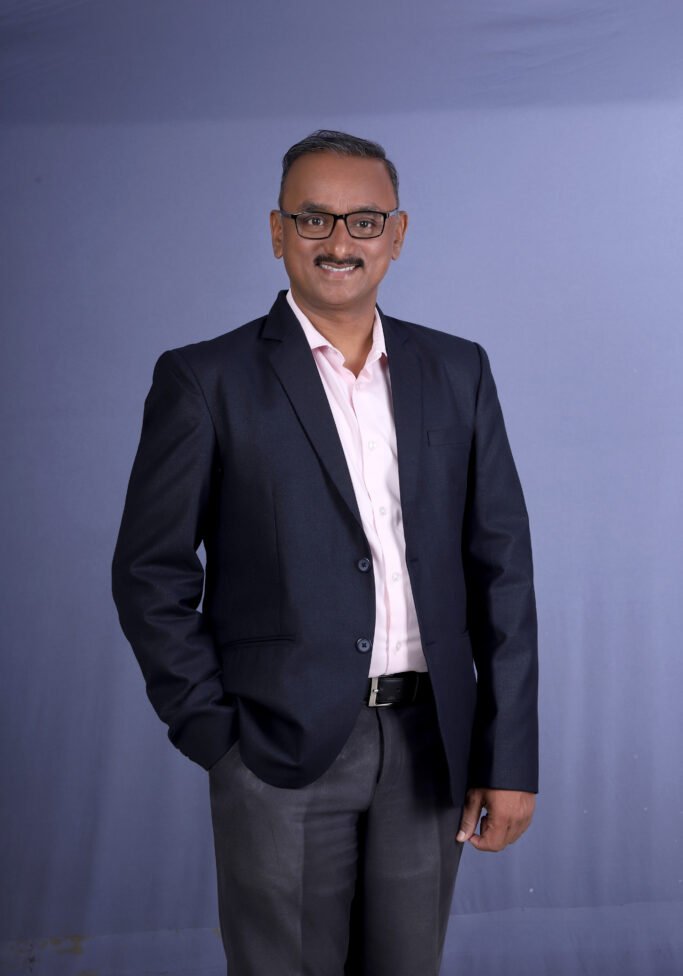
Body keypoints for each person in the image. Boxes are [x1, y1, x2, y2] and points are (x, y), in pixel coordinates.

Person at [111, 129, 538, 976]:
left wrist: (508, 756)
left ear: (396, 234)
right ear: (277, 231)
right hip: (276, 749)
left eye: (363, 220)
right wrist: (215, 735)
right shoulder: (206, 379)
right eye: (313, 219)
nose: (339, 241)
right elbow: (149, 572)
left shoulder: (458, 370)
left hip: (432, 746)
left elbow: (503, 571)